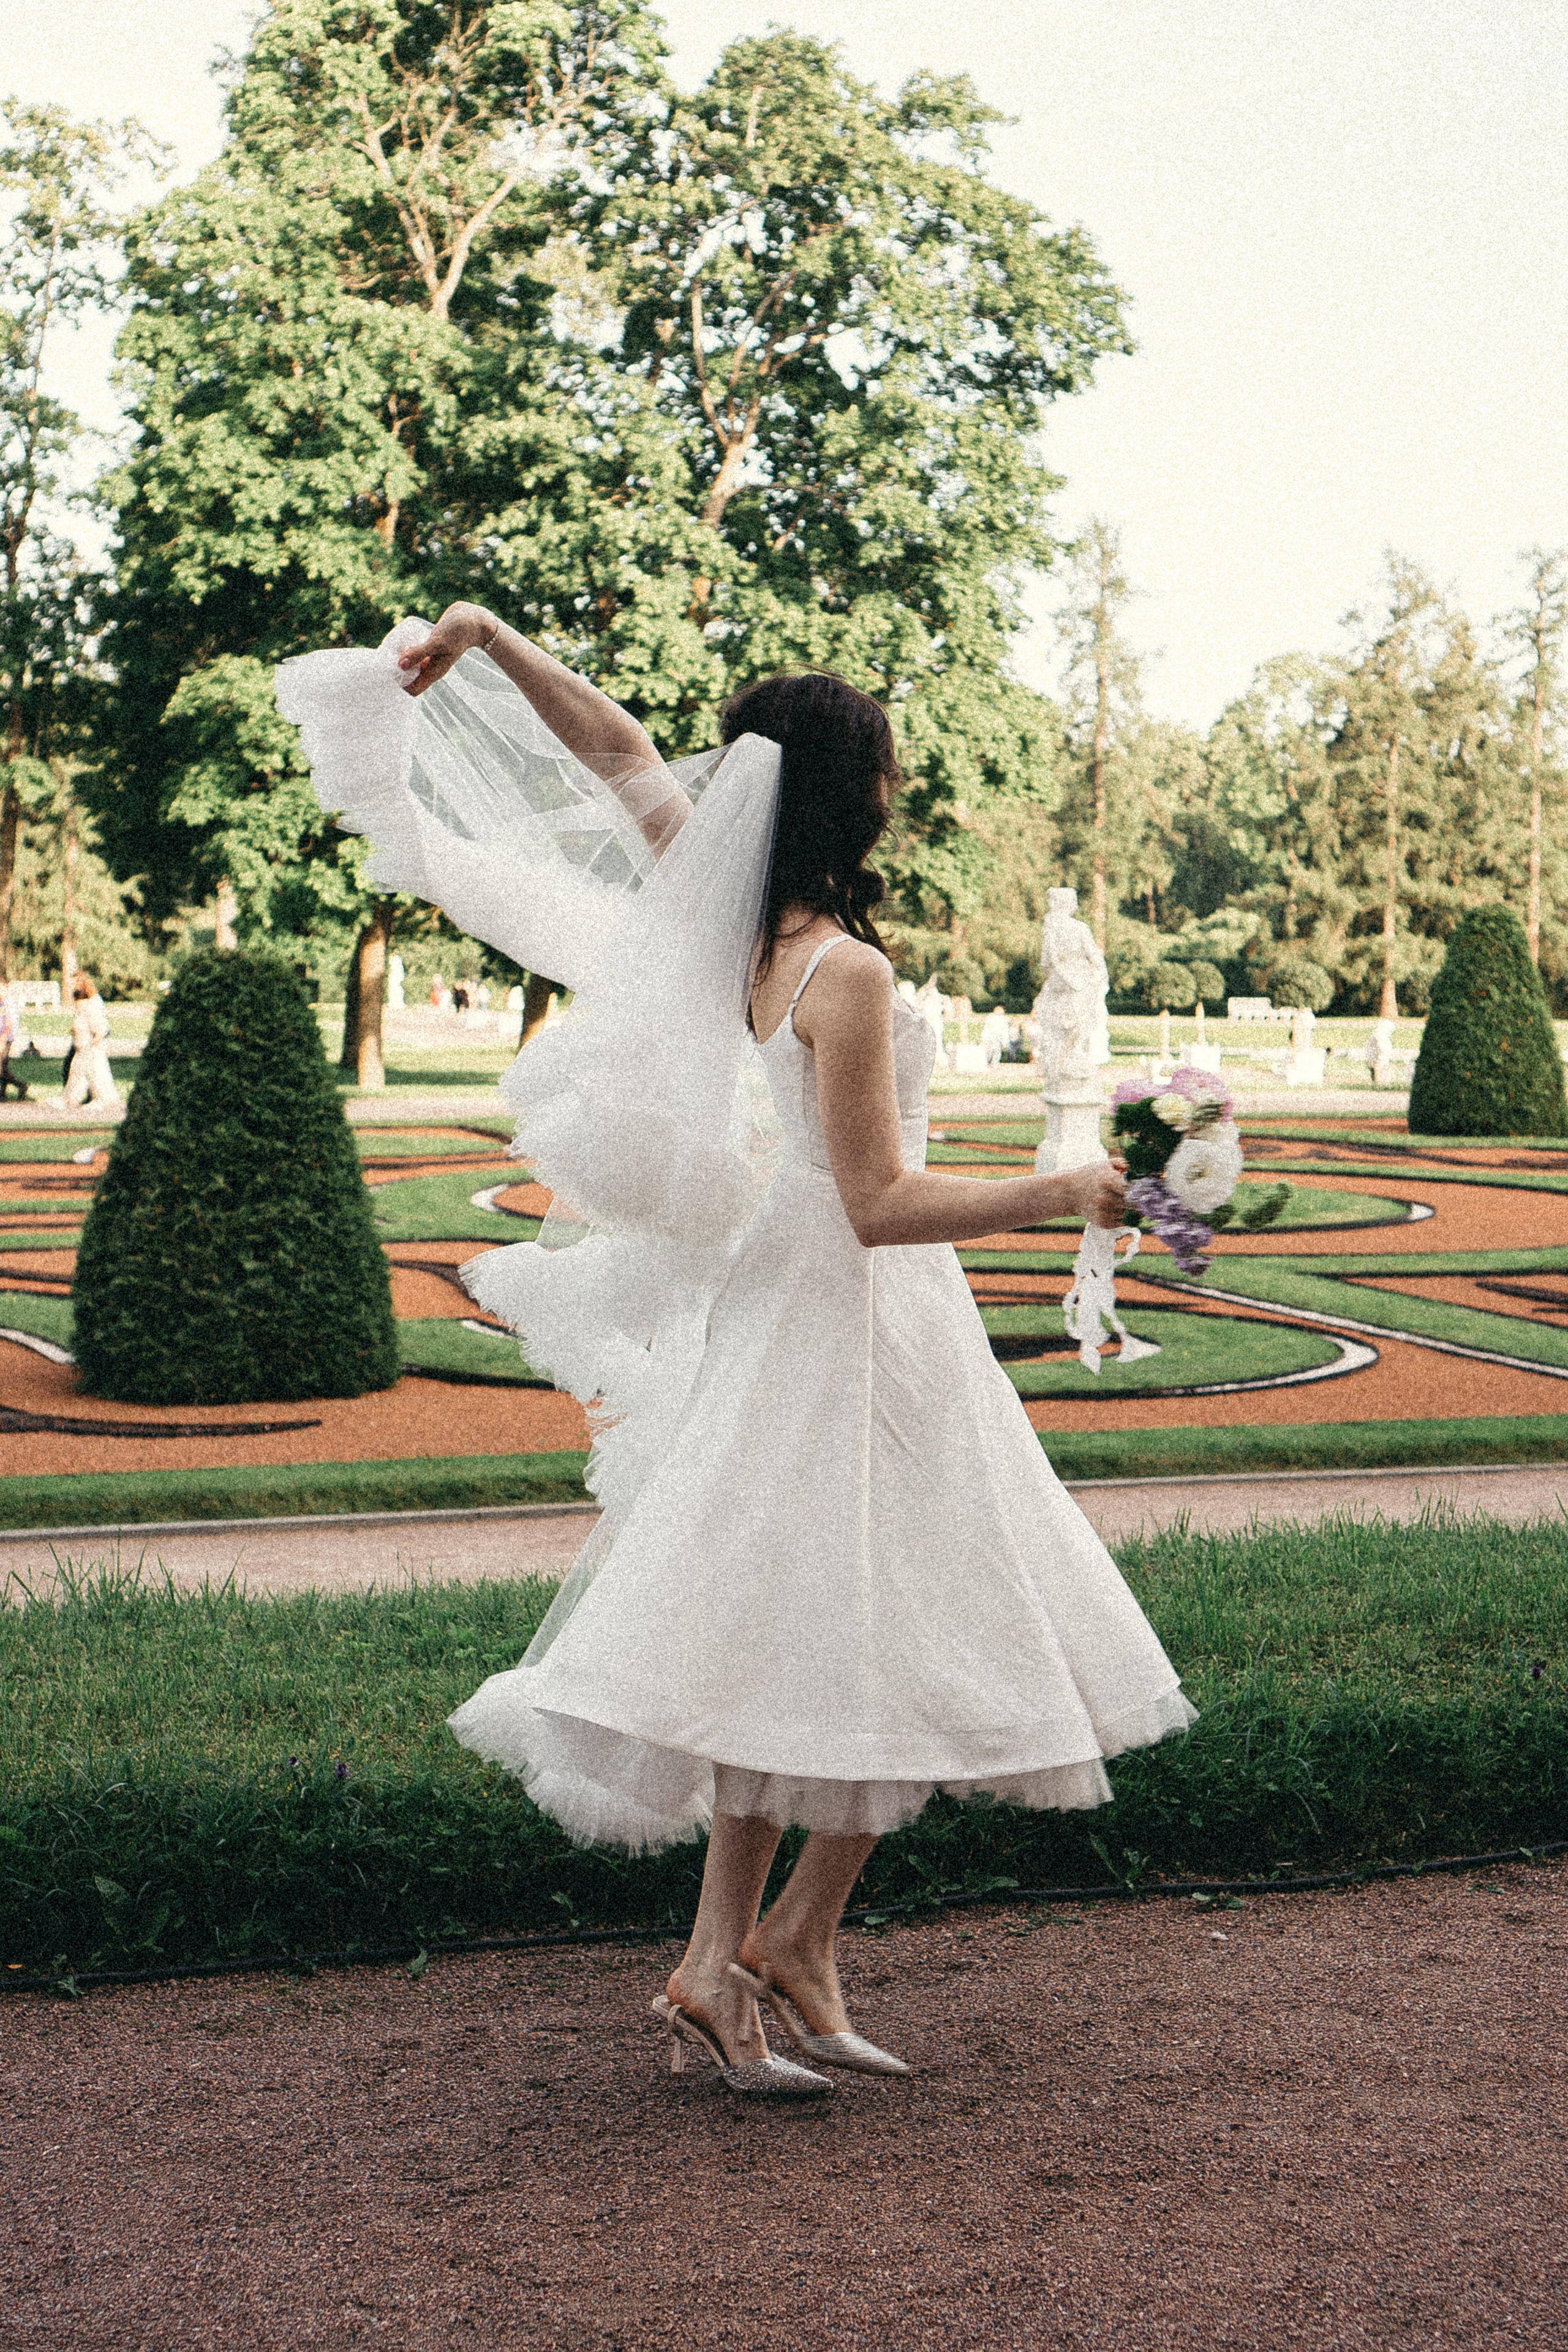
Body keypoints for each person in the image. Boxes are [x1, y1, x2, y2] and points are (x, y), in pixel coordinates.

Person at [277, 605, 1197, 2100]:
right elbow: (880, 1202)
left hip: (793, 1297)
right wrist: (1071, 1189)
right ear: (859, 792)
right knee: (914, 1607)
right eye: (887, 771)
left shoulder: (727, 910)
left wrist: (491, 636)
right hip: (855, 1305)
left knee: (798, 1618)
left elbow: (623, 749)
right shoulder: (848, 974)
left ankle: (753, 1952)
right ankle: (768, 1946)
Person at [61, 974, 118, 1110]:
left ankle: (100, 1100)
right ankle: (71, 1099)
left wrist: (95, 1043)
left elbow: (100, 1027)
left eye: (76, 984)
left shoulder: (93, 1004)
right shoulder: (83, 1005)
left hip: (91, 1047)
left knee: (97, 1074)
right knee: (77, 1072)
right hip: (83, 1046)